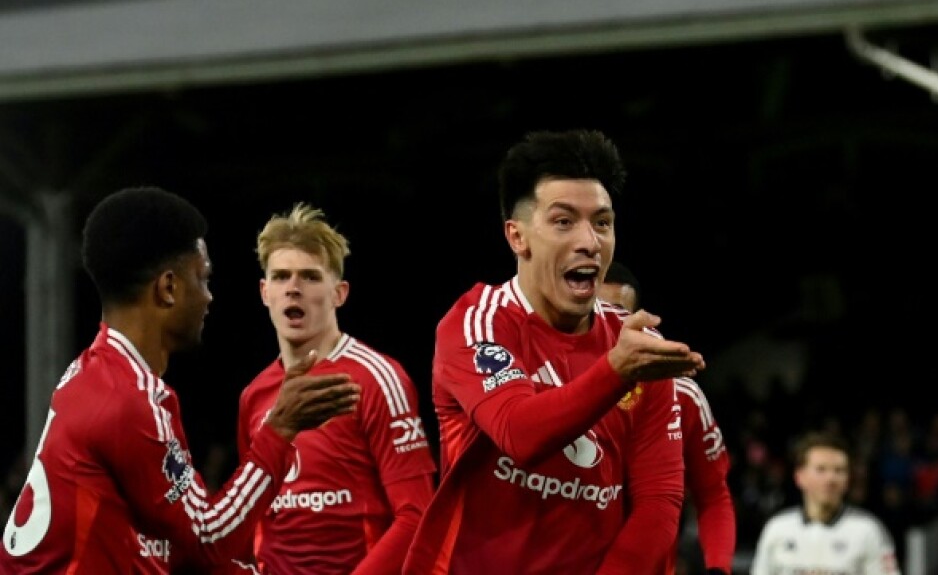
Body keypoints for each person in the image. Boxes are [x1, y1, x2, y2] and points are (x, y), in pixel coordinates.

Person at [0, 186, 361, 574]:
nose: (208, 297)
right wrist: (281, 427)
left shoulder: (99, 374)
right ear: (168, 288)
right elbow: (209, 541)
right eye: (202, 278)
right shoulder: (128, 400)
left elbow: (171, 541)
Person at [401, 128, 706, 575]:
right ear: (517, 237)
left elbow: (659, 501)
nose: (589, 241)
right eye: (564, 222)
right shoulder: (479, 323)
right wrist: (615, 372)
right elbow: (521, 435)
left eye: (602, 223)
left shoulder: (638, 347)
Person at [237, 202, 437, 574]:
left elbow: (417, 513)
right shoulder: (254, 395)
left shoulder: (377, 378)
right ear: (264, 292)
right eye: (281, 277)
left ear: (339, 293)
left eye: (310, 277)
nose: (293, 289)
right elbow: (253, 513)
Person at [598, 261, 737, 575]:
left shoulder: (682, 394)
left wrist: (718, 567)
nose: (605, 321)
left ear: (639, 322)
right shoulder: (551, 382)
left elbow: (713, 494)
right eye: (595, 311)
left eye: (617, 313)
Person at [750, 431, 901, 575]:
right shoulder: (777, 529)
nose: (830, 479)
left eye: (839, 470)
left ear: (847, 480)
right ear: (799, 476)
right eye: (821, 469)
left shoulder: (868, 531)